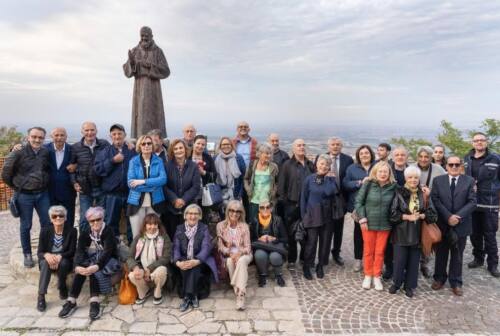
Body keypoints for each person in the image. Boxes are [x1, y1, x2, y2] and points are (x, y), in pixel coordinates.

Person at [2, 126, 51, 267]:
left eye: (40, 137)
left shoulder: (45, 152)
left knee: (46, 224)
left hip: (42, 194)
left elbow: (46, 169)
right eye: (34, 137)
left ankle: (44, 252)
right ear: (28, 137)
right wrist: (17, 187)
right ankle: (27, 254)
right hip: (24, 195)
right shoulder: (17, 152)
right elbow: (5, 174)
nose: (37, 140)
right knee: (26, 225)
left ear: (43, 138)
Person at [59, 207, 120, 320]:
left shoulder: (108, 231)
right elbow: (80, 250)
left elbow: (107, 253)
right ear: (88, 221)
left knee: (93, 270)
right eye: (92, 221)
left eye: (98, 219)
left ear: (102, 219)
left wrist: (96, 266)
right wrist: (77, 266)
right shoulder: (86, 231)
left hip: (109, 260)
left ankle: (94, 302)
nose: (96, 222)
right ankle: (71, 300)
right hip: (93, 257)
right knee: (83, 268)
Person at [389, 166, 437, 298]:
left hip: (417, 232)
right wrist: (407, 217)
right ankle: (396, 283)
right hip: (401, 232)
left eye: (416, 177)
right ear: (405, 178)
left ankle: (409, 286)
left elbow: (433, 215)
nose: (413, 180)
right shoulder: (398, 192)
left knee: (414, 261)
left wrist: (423, 216)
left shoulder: (424, 193)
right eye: (410, 177)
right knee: (399, 260)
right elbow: (392, 214)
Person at [431, 156, 476, 296]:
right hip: (443, 224)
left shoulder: (469, 181)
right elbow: (435, 200)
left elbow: (472, 202)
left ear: (461, 166)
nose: (454, 167)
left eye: (457, 164)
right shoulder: (438, 181)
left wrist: (458, 217)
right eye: (451, 164)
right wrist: (448, 216)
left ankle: (456, 282)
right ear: (446, 166)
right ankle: (439, 278)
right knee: (441, 254)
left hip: (461, 225)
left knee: (457, 255)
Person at [355, 161, 397, 291]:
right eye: (380, 171)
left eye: (385, 171)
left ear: (389, 173)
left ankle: (377, 276)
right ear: (375, 172)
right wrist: (362, 218)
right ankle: (368, 275)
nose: (383, 174)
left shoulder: (394, 186)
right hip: (368, 223)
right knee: (368, 250)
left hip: (385, 224)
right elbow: (358, 202)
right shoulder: (368, 184)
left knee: (380, 252)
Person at [123, 26, 170, 139]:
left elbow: (166, 71)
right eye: (142, 35)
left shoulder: (158, 51)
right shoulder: (135, 50)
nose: (144, 38)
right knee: (141, 113)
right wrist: (131, 62)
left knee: (154, 113)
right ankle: (140, 139)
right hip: (139, 87)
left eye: (146, 35)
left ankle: (157, 139)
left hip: (154, 88)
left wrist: (149, 66)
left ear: (151, 36)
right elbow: (127, 72)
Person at [464, 132, 500, 277]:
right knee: (474, 234)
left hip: (490, 204)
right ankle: (478, 258)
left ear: (486, 142)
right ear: (472, 143)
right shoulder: (467, 158)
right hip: (471, 203)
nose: (479, 143)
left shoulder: (496, 159)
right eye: (476, 140)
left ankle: (493, 264)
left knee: (490, 235)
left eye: (482, 140)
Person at [315, 137, 354, 266]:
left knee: (338, 229)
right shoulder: (321, 158)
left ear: (341, 146)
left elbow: (349, 180)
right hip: (324, 199)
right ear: (328, 146)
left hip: (340, 200)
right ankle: (323, 255)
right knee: (325, 229)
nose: (335, 146)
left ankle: (336, 253)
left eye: (338, 144)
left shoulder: (348, 160)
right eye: (333, 144)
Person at [173, 204, 218, 312]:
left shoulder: (204, 228)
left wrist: (197, 260)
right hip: (184, 258)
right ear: (185, 215)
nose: (192, 216)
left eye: (195, 214)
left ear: (199, 216)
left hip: (201, 260)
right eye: (190, 213)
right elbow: (176, 247)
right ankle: (193, 296)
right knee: (185, 265)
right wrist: (177, 262)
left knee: (194, 267)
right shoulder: (179, 229)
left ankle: (187, 297)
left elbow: (206, 247)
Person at [95, 124, 136, 241]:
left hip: (131, 193)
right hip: (112, 194)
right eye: (114, 134)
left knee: (132, 222)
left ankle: (132, 248)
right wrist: (113, 161)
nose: (117, 136)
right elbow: (98, 169)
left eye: (120, 133)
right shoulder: (105, 152)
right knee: (111, 222)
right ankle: (113, 248)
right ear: (110, 136)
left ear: (125, 135)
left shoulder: (132, 150)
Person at [278, 139, 315, 268]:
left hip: (308, 207)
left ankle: (304, 258)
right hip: (291, 206)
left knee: (307, 234)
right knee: (291, 234)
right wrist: (286, 203)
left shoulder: (311, 165)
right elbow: (281, 187)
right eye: (299, 145)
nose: (302, 147)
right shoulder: (287, 165)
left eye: (303, 145)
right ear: (293, 149)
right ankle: (292, 259)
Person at [300, 154, 337, 280]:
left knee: (325, 242)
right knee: (311, 243)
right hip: (311, 215)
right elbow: (303, 199)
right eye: (321, 163)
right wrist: (303, 216)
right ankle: (307, 266)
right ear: (317, 165)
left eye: (326, 165)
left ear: (329, 167)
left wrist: (329, 179)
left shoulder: (331, 180)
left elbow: (329, 192)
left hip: (327, 216)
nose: (324, 166)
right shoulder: (309, 179)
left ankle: (320, 265)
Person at [36, 205, 77, 312]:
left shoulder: (72, 231)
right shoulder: (45, 231)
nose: (58, 218)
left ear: (65, 217)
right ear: (51, 219)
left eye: (61, 216)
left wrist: (60, 256)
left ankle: (62, 286)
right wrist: (47, 255)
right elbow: (39, 252)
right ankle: (41, 296)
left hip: (64, 259)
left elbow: (72, 251)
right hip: (48, 259)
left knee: (63, 263)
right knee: (45, 263)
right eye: (54, 216)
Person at [413, 145, 446, 278]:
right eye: (421, 156)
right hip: (414, 208)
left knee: (429, 236)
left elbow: (445, 188)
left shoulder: (439, 170)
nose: (424, 159)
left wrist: (431, 193)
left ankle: (425, 263)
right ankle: (413, 263)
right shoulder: (412, 168)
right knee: (415, 237)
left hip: (432, 208)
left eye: (426, 156)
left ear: (431, 157)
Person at [70, 121, 110, 231]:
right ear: (82, 132)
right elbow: (71, 168)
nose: (89, 132)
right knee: (85, 218)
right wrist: (74, 182)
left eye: (92, 130)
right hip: (85, 189)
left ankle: (103, 242)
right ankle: (84, 244)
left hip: (102, 187)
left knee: (103, 216)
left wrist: (128, 143)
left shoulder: (104, 144)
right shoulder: (75, 148)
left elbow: (115, 152)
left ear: (96, 131)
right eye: (86, 130)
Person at [126, 135, 167, 238]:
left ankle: (151, 254)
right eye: (143, 144)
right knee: (137, 234)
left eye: (149, 143)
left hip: (156, 201)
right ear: (139, 146)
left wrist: (142, 181)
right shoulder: (133, 161)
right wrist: (153, 185)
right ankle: (138, 254)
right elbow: (131, 183)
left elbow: (163, 179)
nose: (146, 146)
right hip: (136, 202)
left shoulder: (159, 161)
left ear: (152, 145)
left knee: (153, 233)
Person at [343, 145, 375, 272]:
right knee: (358, 235)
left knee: (373, 235)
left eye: (366, 153)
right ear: (358, 156)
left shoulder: (377, 166)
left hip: (374, 207)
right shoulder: (352, 168)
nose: (364, 155)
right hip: (359, 207)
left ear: (371, 154)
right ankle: (358, 260)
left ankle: (371, 260)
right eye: (361, 153)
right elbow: (345, 184)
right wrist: (360, 182)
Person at [127, 213, 171, 305]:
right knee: (132, 275)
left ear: (158, 225)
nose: (152, 227)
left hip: (156, 270)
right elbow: (130, 257)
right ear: (145, 225)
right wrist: (136, 268)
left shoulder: (164, 237)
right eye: (149, 224)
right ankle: (144, 291)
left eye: (155, 224)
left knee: (162, 270)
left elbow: (166, 257)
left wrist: (149, 268)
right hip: (142, 270)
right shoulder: (139, 237)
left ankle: (158, 292)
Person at [216, 200, 253, 310]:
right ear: (227, 211)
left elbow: (248, 247)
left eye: (238, 211)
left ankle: (240, 293)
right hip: (229, 255)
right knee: (229, 261)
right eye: (231, 210)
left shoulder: (244, 226)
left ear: (241, 213)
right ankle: (239, 290)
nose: (234, 213)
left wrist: (239, 253)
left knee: (241, 261)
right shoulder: (220, 226)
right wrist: (230, 253)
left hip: (244, 254)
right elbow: (220, 246)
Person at [164, 139, 201, 240]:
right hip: (171, 207)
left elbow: (196, 186)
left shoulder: (193, 166)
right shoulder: (167, 166)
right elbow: (164, 186)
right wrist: (174, 199)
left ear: (185, 149)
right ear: (172, 151)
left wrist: (184, 199)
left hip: (188, 207)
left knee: (188, 236)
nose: (178, 150)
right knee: (172, 235)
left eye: (181, 148)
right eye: (175, 149)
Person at [384, 145, 409, 280]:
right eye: (397, 155)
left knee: (404, 241)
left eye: (402, 155)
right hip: (389, 210)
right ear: (393, 157)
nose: (400, 157)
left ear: (407, 157)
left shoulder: (411, 171)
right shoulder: (387, 170)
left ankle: (403, 267)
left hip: (406, 211)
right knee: (389, 241)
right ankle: (389, 267)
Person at [250, 200, 288, 287]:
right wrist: (259, 239)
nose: (265, 209)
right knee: (259, 255)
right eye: (262, 207)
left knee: (274, 256)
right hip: (261, 246)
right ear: (259, 209)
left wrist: (275, 239)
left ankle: (278, 275)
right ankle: (263, 275)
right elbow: (251, 239)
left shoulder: (278, 220)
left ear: (271, 209)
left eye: (267, 207)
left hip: (274, 246)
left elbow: (285, 238)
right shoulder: (255, 220)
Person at [45, 127, 77, 229]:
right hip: (50, 191)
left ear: (66, 137)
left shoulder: (72, 149)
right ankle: (53, 241)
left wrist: (76, 165)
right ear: (51, 137)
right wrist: (15, 147)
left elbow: (83, 161)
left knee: (68, 218)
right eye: (56, 135)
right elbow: (31, 149)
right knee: (51, 219)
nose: (59, 138)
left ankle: (68, 242)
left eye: (62, 135)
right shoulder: (45, 149)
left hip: (68, 191)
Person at [244, 143, 279, 223]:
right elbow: (246, 179)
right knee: (253, 223)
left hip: (267, 201)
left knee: (267, 224)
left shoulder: (274, 167)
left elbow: (277, 182)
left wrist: (274, 192)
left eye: (270, 153)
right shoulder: (252, 164)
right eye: (266, 153)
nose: (269, 156)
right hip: (254, 200)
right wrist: (248, 189)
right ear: (259, 154)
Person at [214, 137, 246, 209]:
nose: (226, 146)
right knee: (222, 214)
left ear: (232, 145)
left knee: (234, 212)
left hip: (235, 192)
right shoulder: (215, 158)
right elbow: (213, 176)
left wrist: (240, 194)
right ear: (220, 146)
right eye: (223, 144)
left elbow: (243, 176)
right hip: (220, 192)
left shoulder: (238, 158)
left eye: (228, 144)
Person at [190, 135, 217, 221]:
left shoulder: (208, 157)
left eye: (203, 144)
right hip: (189, 193)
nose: (200, 146)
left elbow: (215, 175)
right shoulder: (187, 157)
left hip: (204, 194)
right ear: (193, 144)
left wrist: (204, 172)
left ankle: (203, 234)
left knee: (203, 217)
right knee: (190, 216)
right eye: (198, 143)